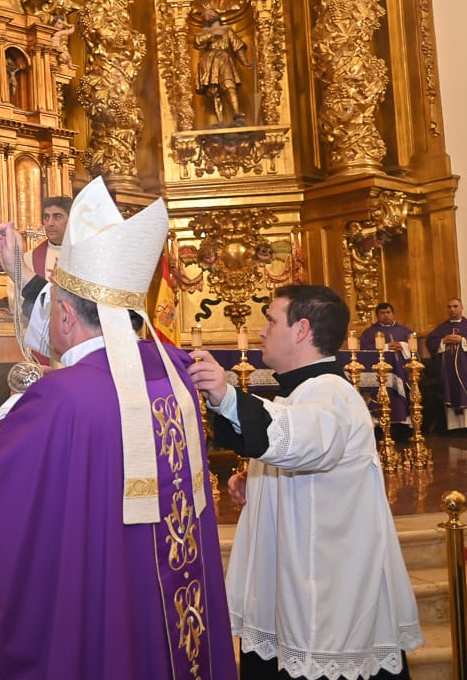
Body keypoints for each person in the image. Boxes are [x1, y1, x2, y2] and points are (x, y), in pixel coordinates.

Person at [0, 177, 236, 679]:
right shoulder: (173, 371)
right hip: (170, 596)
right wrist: (20, 269)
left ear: (66, 313)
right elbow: (74, 338)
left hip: (106, 599)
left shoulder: (62, 396)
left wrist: (9, 411)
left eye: (56, 304)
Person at [188, 284, 422, 679]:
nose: (262, 330)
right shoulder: (302, 395)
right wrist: (263, 482)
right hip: (294, 589)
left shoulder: (332, 393)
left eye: (271, 319)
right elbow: (298, 447)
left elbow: (298, 439)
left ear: (301, 330)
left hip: (324, 603)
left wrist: (225, 395)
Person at [0, 195, 72, 360]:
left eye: (57, 216)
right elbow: (16, 304)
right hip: (42, 344)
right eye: (46, 217)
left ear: (71, 220)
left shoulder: (85, 258)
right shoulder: (27, 259)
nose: (49, 223)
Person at [359, 302, 415, 442]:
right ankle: (381, 428)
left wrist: (402, 346)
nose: (386, 315)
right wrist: (385, 346)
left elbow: (415, 347)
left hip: (401, 372)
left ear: (393, 313)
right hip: (381, 375)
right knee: (382, 397)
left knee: (402, 397)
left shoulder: (404, 331)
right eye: (382, 313)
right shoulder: (369, 332)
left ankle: (402, 428)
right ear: (377, 315)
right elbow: (365, 349)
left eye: (388, 312)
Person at [194, 7, 251, 126]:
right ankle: (219, 120)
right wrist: (212, 33)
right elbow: (198, 42)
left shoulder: (228, 31)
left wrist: (244, 61)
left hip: (224, 59)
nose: (209, 16)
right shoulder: (204, 31)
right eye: (206, 15)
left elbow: (237, 46)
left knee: (229, 84)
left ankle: (236, 113)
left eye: (211, 13)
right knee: (213, 90)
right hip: (209, 61)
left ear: (217, 15)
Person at [424, 297, 467, 430]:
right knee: (450, 393)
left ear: (462, 308)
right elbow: (430, 341)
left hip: (465, 369)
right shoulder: (443, 328)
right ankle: (453, 428)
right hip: (448, 372)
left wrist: (463, 340)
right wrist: (443, 340)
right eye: (449, 307)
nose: (452, 310)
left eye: (455, 306)